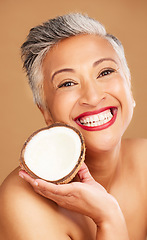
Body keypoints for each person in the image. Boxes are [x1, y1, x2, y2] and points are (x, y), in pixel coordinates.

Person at [0, 13, 147, 240]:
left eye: (105, 72)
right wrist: (108, 218)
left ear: (129, 88)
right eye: (68, 83)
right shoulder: (22, 201)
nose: (93, 96)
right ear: (46, 113)